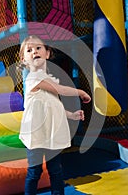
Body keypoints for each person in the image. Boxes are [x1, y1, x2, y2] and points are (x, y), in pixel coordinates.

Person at [18, 35, 91, 195]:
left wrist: (71, 115)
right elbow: (61, 91)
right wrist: (80, 92)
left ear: (47, 53)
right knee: (34, 172)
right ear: (24, 60)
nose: (34, 52)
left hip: (51, 133)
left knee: (56, 170)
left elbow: (53, 106)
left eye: (38, 48)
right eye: (29, 50)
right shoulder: (33, 78)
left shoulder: (49, 79)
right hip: (36, 134)